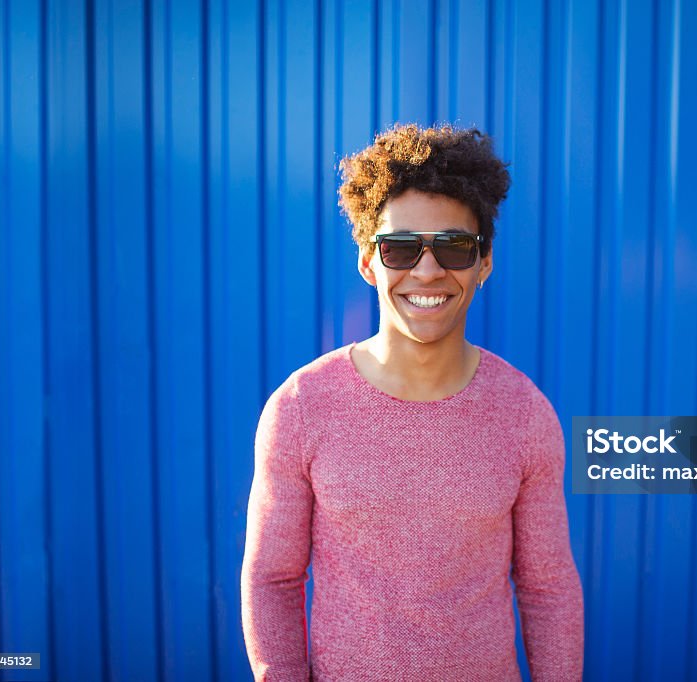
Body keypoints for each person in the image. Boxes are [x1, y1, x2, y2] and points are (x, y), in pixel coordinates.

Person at [241, 123, 584, 681]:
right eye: (400, 248)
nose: (427, 270)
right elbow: (271, 581)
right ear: (369, 261)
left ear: (484, 262)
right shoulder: (302, 407)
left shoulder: (525, 414)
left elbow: (548, 590)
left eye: (454, 246)